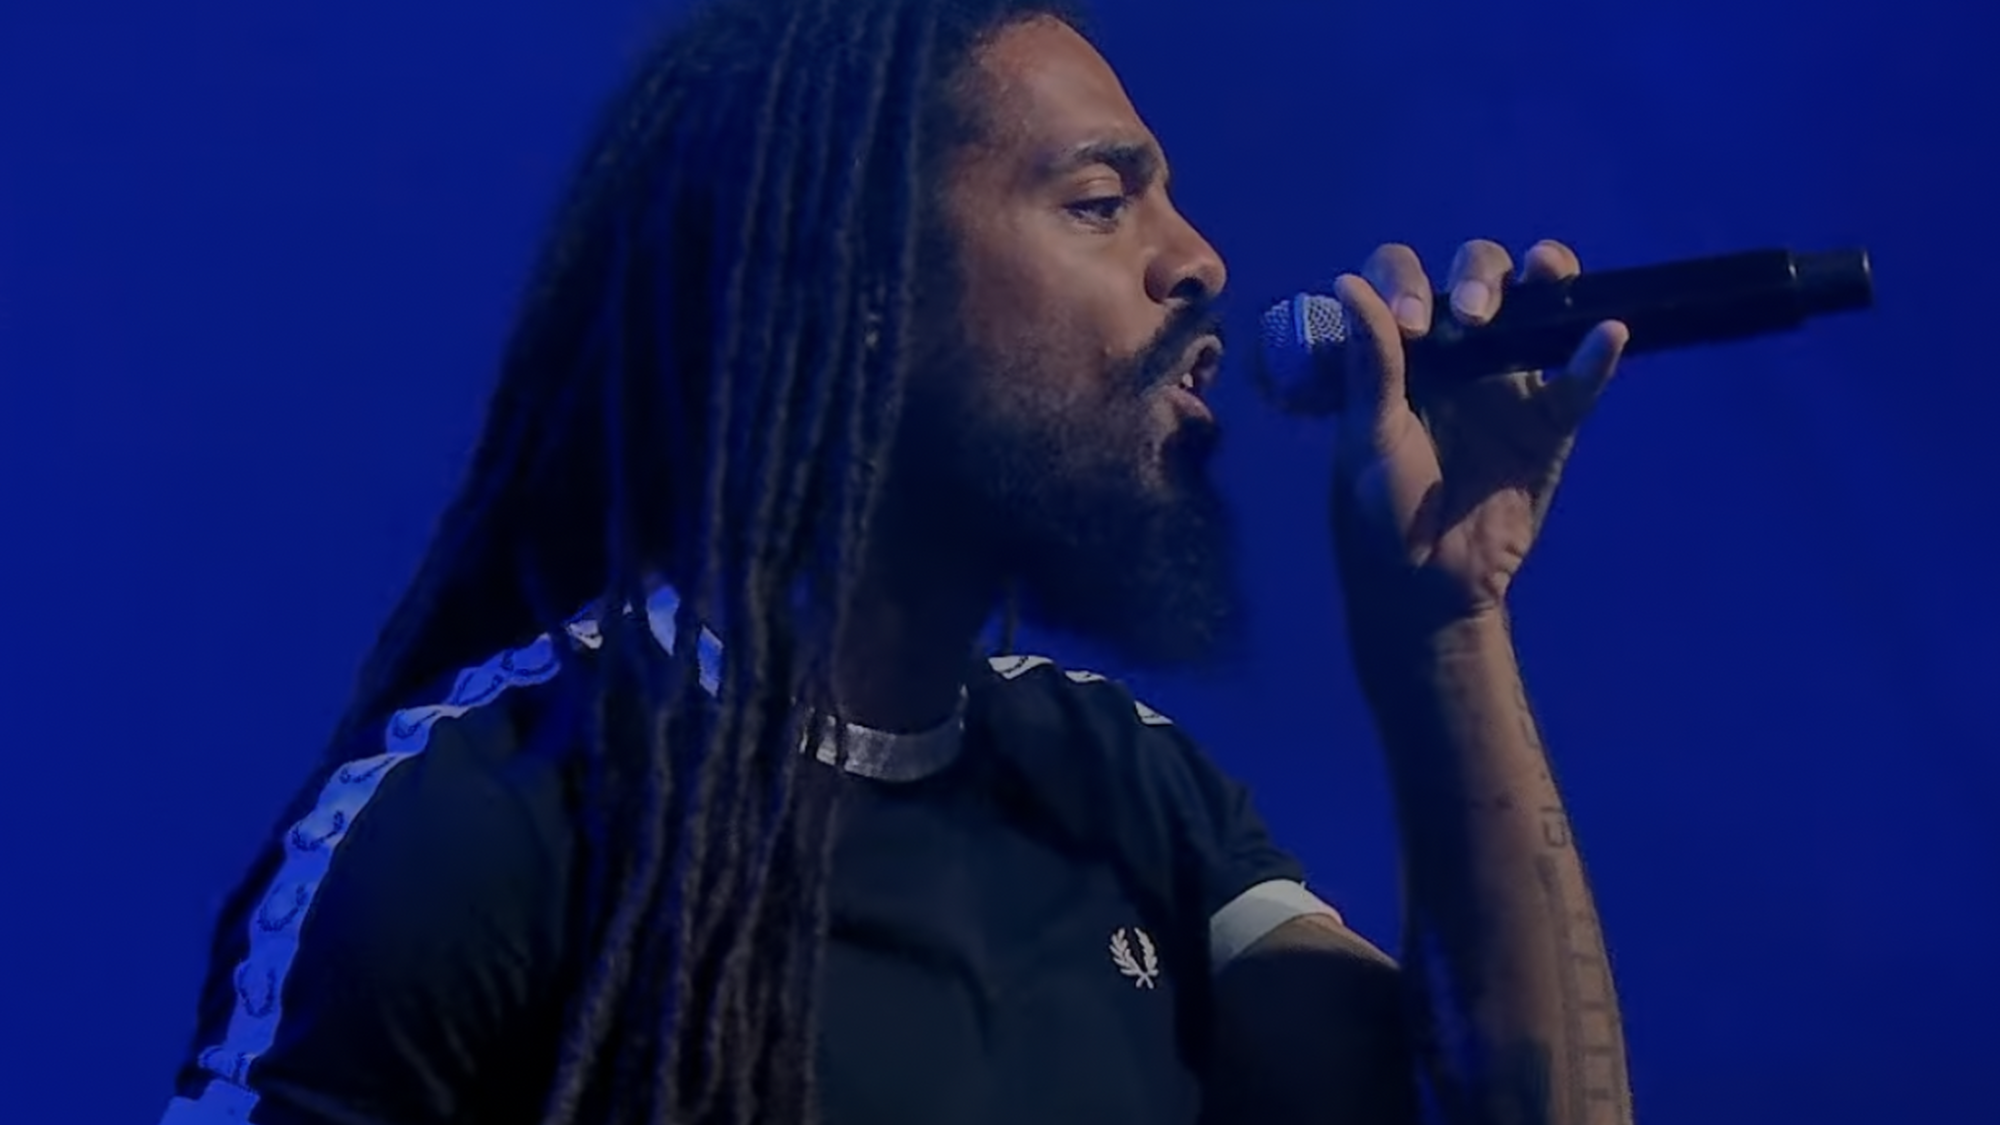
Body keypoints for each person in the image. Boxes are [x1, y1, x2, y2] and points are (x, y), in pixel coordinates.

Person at [158, 0, 1639, 1122]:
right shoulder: (491, 825)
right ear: (861, 290)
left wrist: (1447, 620)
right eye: (1100, 201)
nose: (1200, 262)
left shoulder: (1125, 789)